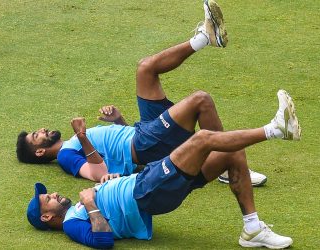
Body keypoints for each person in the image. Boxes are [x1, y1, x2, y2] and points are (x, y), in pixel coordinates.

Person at [16, 0, 267, 186]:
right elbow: (97, 172)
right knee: (201, 100)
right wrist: (82, 136)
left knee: (146, 68)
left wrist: (118, 120)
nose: (42, 130)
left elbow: (118, 152)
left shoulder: (72, 146)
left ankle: (204, 37)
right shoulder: (66, 156)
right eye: (36, 136)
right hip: (145, 143)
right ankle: (224, 162)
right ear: (39, 152)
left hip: (140, 132)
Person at [27, 86, 301, 249]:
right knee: (204, 138)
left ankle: (252, 229)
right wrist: (91, 203)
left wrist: (109, 181)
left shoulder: (77, 210)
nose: (52, 194)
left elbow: (105, 185)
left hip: (147, 180)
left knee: (230, 152)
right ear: (47, 218)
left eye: (47, 193)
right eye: (47, 199)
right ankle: (275, 129)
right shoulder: (73, 223)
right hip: (146, 191)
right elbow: (103, 242)